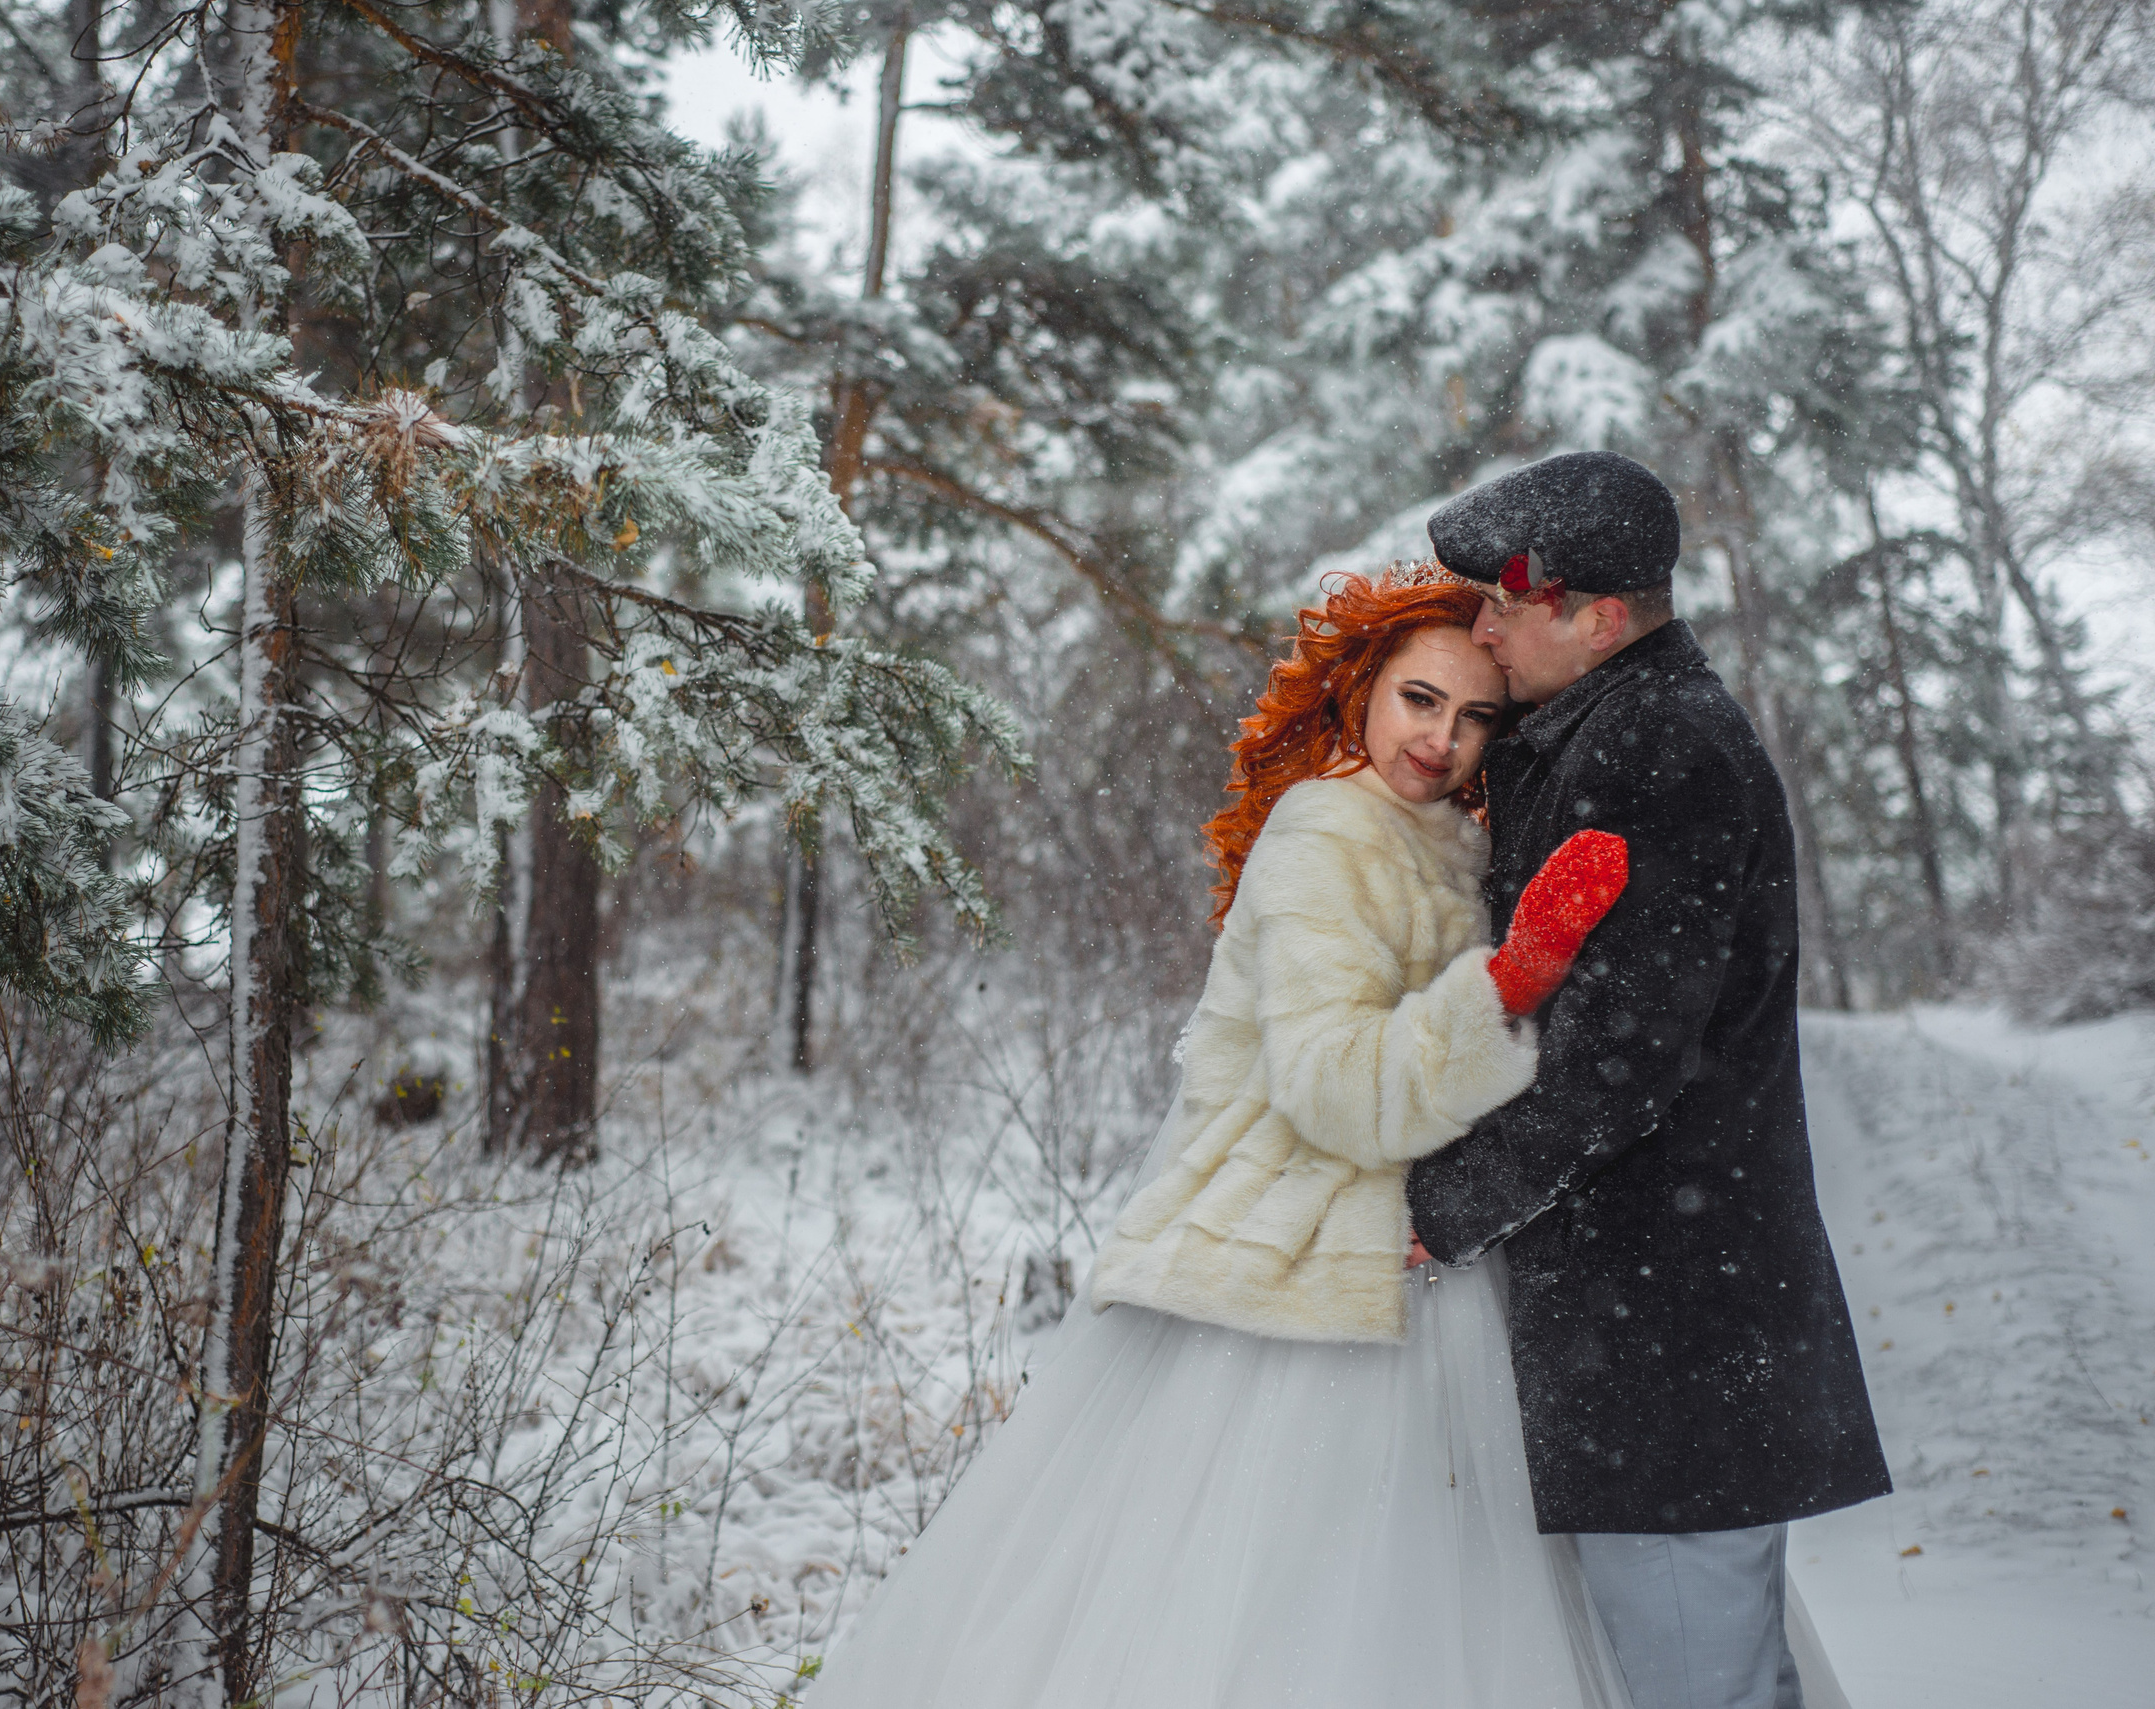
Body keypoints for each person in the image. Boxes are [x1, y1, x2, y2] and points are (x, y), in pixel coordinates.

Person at [802, 566, 1640, 1709]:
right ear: (1360, 691)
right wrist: (1503, 985)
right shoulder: (1328, 832)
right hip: (1302, 1269)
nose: (1443, 740)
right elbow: (1332, 1085)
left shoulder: (1439, 836)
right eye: (1419, 700)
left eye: (1476, 715)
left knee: (1398, 1609)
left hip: (1405, 1255)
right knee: (1275, 1601)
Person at [1410, 450, 1892, 1709]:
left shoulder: (1659, 746)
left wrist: (1442, 1205)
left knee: (1695, 1675)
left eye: (1505, 604)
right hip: (1661, 1314)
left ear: (1599, 616)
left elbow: (1617, 1059)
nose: (1482, 628)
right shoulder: (1601, 729)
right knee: (1719, 1669)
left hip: (1670, 1322)